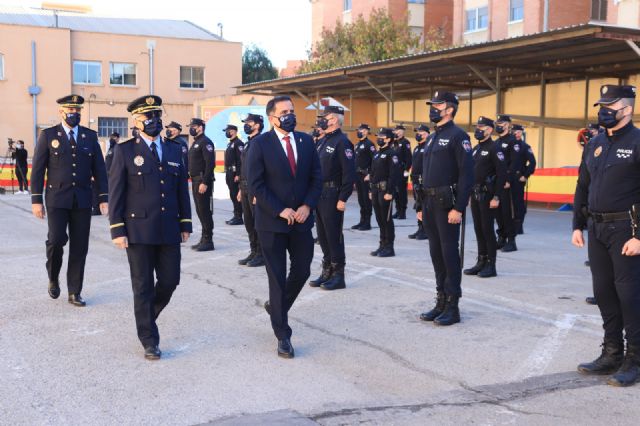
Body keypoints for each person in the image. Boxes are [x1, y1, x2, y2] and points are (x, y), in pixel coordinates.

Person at [109, 95, 192, 360]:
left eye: (157, 116)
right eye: (148, 117)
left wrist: (185, 222)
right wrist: (117, 229)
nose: (154, 121)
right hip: (138, 229)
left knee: (170, 280)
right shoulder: (124, 151)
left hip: (168, 227)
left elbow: (181, 189)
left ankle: (147, 313)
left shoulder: (174, 149)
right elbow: (116, 193)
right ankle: (149, 339)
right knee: (142, 286)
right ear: (136, 121)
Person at [572, 84, 640, 387]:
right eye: (602, 106)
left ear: (627, 109)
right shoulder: (595, 142)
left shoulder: (638, 141)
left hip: (627, 229)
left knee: (629, 295)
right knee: (603, 293)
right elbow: (582, 184)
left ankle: (634, 360)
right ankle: (611, 352)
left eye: (611, 106)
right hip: (597, 228)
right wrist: (577, 224)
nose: (604, 111)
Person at [247, 95, 321, 358]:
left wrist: (307, 206)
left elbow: (316, 177)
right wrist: (281, 209)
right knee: (276, 278)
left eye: (292, 110)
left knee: (302, 270)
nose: (290, 115)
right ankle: (283, 334)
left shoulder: (306, 141)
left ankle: (276, 307)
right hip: (271, 224)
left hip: (301, 221)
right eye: (284, 112)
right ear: (272, 117)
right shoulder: (260, 145)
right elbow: (255, 185)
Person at [30, 94, 108, 306]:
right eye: (70, 111)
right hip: (57, 199)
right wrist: (36, 200)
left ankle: (74, 291)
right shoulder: (48, 135)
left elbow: (100, 170)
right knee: (56, 240)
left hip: (83, 199)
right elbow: (37, 170)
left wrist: (103, 197)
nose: (74, 114)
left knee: (80, 246)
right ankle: (53, 277)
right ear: (61, 112)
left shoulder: (89, 137)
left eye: (77, 111)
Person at [418, 90, 473, 326]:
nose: (433, 108)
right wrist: (419, 205)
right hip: (429, 203)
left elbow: (466, 175)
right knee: (436, 254)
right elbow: (423, 175)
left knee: (449, 254)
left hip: (446, 204)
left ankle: (453, 305)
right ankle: (440, 299)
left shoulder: (458, 136)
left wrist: (458, 208)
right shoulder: (431, 137)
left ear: (449, 109)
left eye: (437, 105)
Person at [308, 106, 355, 291]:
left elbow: (349, 173)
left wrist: (343, 198)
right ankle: (326, 270)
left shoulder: (342, 142)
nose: (321, 120)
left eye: (325, 117)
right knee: (323, 235)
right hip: (319, 194)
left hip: (333, 194)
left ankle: (338, 275)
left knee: (334, 236)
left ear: (334, 119)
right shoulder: (322, 140)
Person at [463, 116, 506, 278]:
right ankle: (481, 261)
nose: (478, 130)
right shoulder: (476, 149)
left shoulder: (495, 148)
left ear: (489, 129)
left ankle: (491, 265)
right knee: (478, 229)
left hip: (488, 195)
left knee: (487, 230)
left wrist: (496, 197)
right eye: (477, 127)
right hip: (475, 194)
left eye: (481, 127)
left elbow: (502, 175)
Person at [369, 128, 402, 257]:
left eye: (382, 137)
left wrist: (390, 192)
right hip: (376, 190)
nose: (379, 139)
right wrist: (370, 189)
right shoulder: (377, 154)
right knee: (379, 219)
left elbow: (394, 175)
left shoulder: (392, 153)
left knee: (387, 219)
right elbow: (373, 173)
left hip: (385, 190)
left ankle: (389, 247)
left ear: (388, 139)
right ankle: (382, 244)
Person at [237, 113, 265, 267]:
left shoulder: (262, 141)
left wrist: (258, 192)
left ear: (257, 125)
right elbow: (244, 168)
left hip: (255, 188)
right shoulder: (248, 143)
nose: (246, 125)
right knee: (248, 221)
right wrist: (241, 189)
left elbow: (264, 169)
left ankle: (261, 253)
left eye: (249, 122)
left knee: (257, 222)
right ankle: (253, 250)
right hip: (245, 186)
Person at [187, 118, 215, 251]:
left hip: (202, 181)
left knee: (205, 211)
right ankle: (204, 238)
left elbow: (210, 164)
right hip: (195, 180)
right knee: (199, 210)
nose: (191, 128)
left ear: (200, 127)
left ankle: (208, 240)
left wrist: (205, 182)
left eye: (193, 126)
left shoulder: (206, 142)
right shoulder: (196, 142)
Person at [494, 114, 518, 252]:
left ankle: (511, 240)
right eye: (497, 123)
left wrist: (508, 179)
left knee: (508, 212)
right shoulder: (496, 142)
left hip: (507, 183)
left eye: (502, 123)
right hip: (497, 182)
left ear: (508, 125)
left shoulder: (512, 141)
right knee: (498, 212)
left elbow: (514, 163)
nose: (499, 125)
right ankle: (501, 237)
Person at [509, 124, 536, 235]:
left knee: (518, 203)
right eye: (514, 131)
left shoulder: (525, 146)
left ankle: (518, 226)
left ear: (521, 133)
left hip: (517, 178)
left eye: (518, 131)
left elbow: (532, 162)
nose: (516, 133)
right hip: (505, 177)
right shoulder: (506, 144)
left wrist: (525, 175)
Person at [351, 123, 375, 231]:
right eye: (358, 130)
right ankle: (362, 221)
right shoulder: (357, 145)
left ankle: (367, 222)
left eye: (361, 130)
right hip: (358, 175)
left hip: (366, 175)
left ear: (366, 131)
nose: (359, 132)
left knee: (366, 199)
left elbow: (374, 161)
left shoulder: (369, 144)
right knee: (361, 199)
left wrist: (370, 174)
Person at [408, 125, 429, 240]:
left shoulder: (428, 147)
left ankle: (426, 230)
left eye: (420, 132)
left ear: (426, 134)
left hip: (424, 180)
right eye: (417, 132)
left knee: (424, 205)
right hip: (416, 179)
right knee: (418, 205)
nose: (418, 134)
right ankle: (420, 228)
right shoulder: (417, 147)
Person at [224, 124, 245, 225]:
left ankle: (239, 217)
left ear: (233, 131)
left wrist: (238, 174)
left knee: (236, 195)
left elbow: (240, 160)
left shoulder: (238, 143)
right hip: (229, 172)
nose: (226, 133)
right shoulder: (230, 143)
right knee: (232, 195)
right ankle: (236, 214)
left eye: (228, 131)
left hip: (234, 173)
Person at [392, 124, 412, 219]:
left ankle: (402, 211)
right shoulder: (393, 142)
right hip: (393, 171)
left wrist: (406, 170)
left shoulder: (405, 142)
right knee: (395, 192)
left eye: (398, 130)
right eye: (395, 130)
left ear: (402, 131)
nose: (396, 132)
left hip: (401, 170)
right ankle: (397, 210)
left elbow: (409, 158)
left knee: (401, 192)